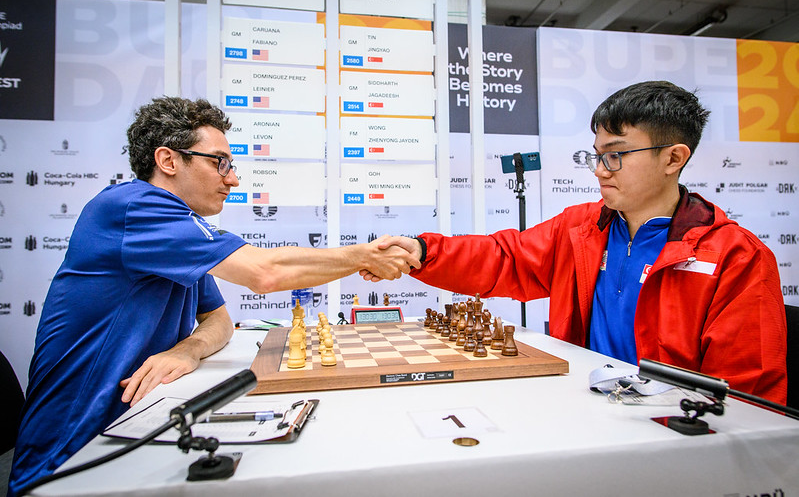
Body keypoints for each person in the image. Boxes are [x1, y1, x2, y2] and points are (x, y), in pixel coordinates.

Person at [9, 97, 420, 495]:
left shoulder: (178, 232)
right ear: (168, 160)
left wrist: (187, 350)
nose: (233, 178)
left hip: (131, 433)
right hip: (68, 457)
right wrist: (362, 256)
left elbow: (219, 321)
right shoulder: (134, 208)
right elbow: (265, 273)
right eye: (218, 162)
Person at [368, 81, 787, 405]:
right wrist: (424, 251)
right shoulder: (582, 227)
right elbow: (505, 258)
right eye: (597, 155)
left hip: (672, 437)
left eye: (616, 155)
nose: (601, 170)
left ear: (673, 159)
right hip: (585, 411)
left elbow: (745, 397)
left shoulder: (736, 257)